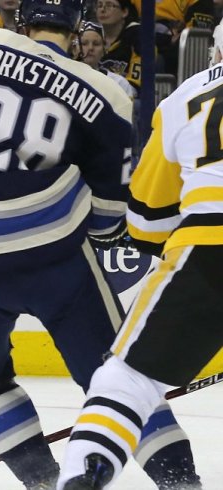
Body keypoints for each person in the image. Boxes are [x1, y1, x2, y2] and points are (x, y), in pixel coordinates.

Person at [0, 0, 202, 487]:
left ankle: (43, 483)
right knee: (122, 381)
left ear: (20, 23)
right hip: (57, 262)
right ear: (78, 30)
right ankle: (182, 485)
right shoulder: (106, 92)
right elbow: (113, 212)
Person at [55, 19, 223, 490]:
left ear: (216, 53)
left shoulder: (183, 99)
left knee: (127, 380)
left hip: (207, 250)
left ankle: (87, 470)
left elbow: (147, 219)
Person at [75, 21, 137, 98]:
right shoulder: (64, 76)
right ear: (74, 49)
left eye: (96, 44)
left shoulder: (119, 83)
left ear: (104, 49)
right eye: (84, 43)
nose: (90, 48)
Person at [96, 0, 143, 92]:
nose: (102, 10)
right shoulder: (89, 36)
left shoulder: (137, 35)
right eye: (99, 5)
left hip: (127, 96)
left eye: (109, 5)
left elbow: (134, 88)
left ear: (124, 12)